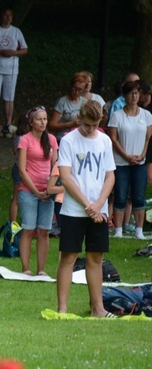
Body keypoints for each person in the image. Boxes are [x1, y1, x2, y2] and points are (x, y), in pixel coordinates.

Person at [56, 100, 116, 318]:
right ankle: (62, 309)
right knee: (68, 258)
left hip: (99, 210)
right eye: (87, 124)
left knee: (95, 259)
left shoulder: (105, 141)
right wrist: (86, 204)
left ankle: (97, 308)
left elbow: (110, 175)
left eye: (95, 124)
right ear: (79, 118)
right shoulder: (69, 141)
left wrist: (99, 203)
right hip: (74, 210)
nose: (91, 129)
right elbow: (65, 177)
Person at [107, 80, 152, 240]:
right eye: (131, 93)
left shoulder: (146, 115)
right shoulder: (117, 116)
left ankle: (139, 230)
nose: (134, 96)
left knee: (138, 196)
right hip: (121, 162)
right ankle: (118, 229)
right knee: (120, 195)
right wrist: (126, 156)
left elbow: (148, 138)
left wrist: (142, 155)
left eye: (136, 93)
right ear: (125, 95)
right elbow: (113, 138)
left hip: (139, 162)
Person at [17, 106, 58, 276]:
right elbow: (21, 169)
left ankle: (41, 270)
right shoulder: (24, 140)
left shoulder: (51, 139)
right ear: (31, 122)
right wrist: (35, 191)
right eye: (39, 119)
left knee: (44, 230)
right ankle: (26, 268)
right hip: (28, 190)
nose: (43, 122)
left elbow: (56, 165)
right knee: (28, 229)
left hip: (47, 191)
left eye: (45, 119)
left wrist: (51, 188)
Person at [0, 7, 28, 133]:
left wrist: (14, 52)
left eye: (10, 15)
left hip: (11, 68)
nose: (7, 17)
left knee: (9, 97)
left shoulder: (16, 32)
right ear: (1, 16)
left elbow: (25, 49)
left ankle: (8, 124)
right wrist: (0, 51)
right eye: (5, 15)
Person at [48, 72, 89, 143]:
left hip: (79, 139)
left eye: (80, 90)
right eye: (74, 88)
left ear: (84, 90)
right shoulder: (62, 102)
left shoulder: (85, 102)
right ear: (71, 86)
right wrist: (71, 124)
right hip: (62, 139)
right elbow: (51, 126)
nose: (76, 92)